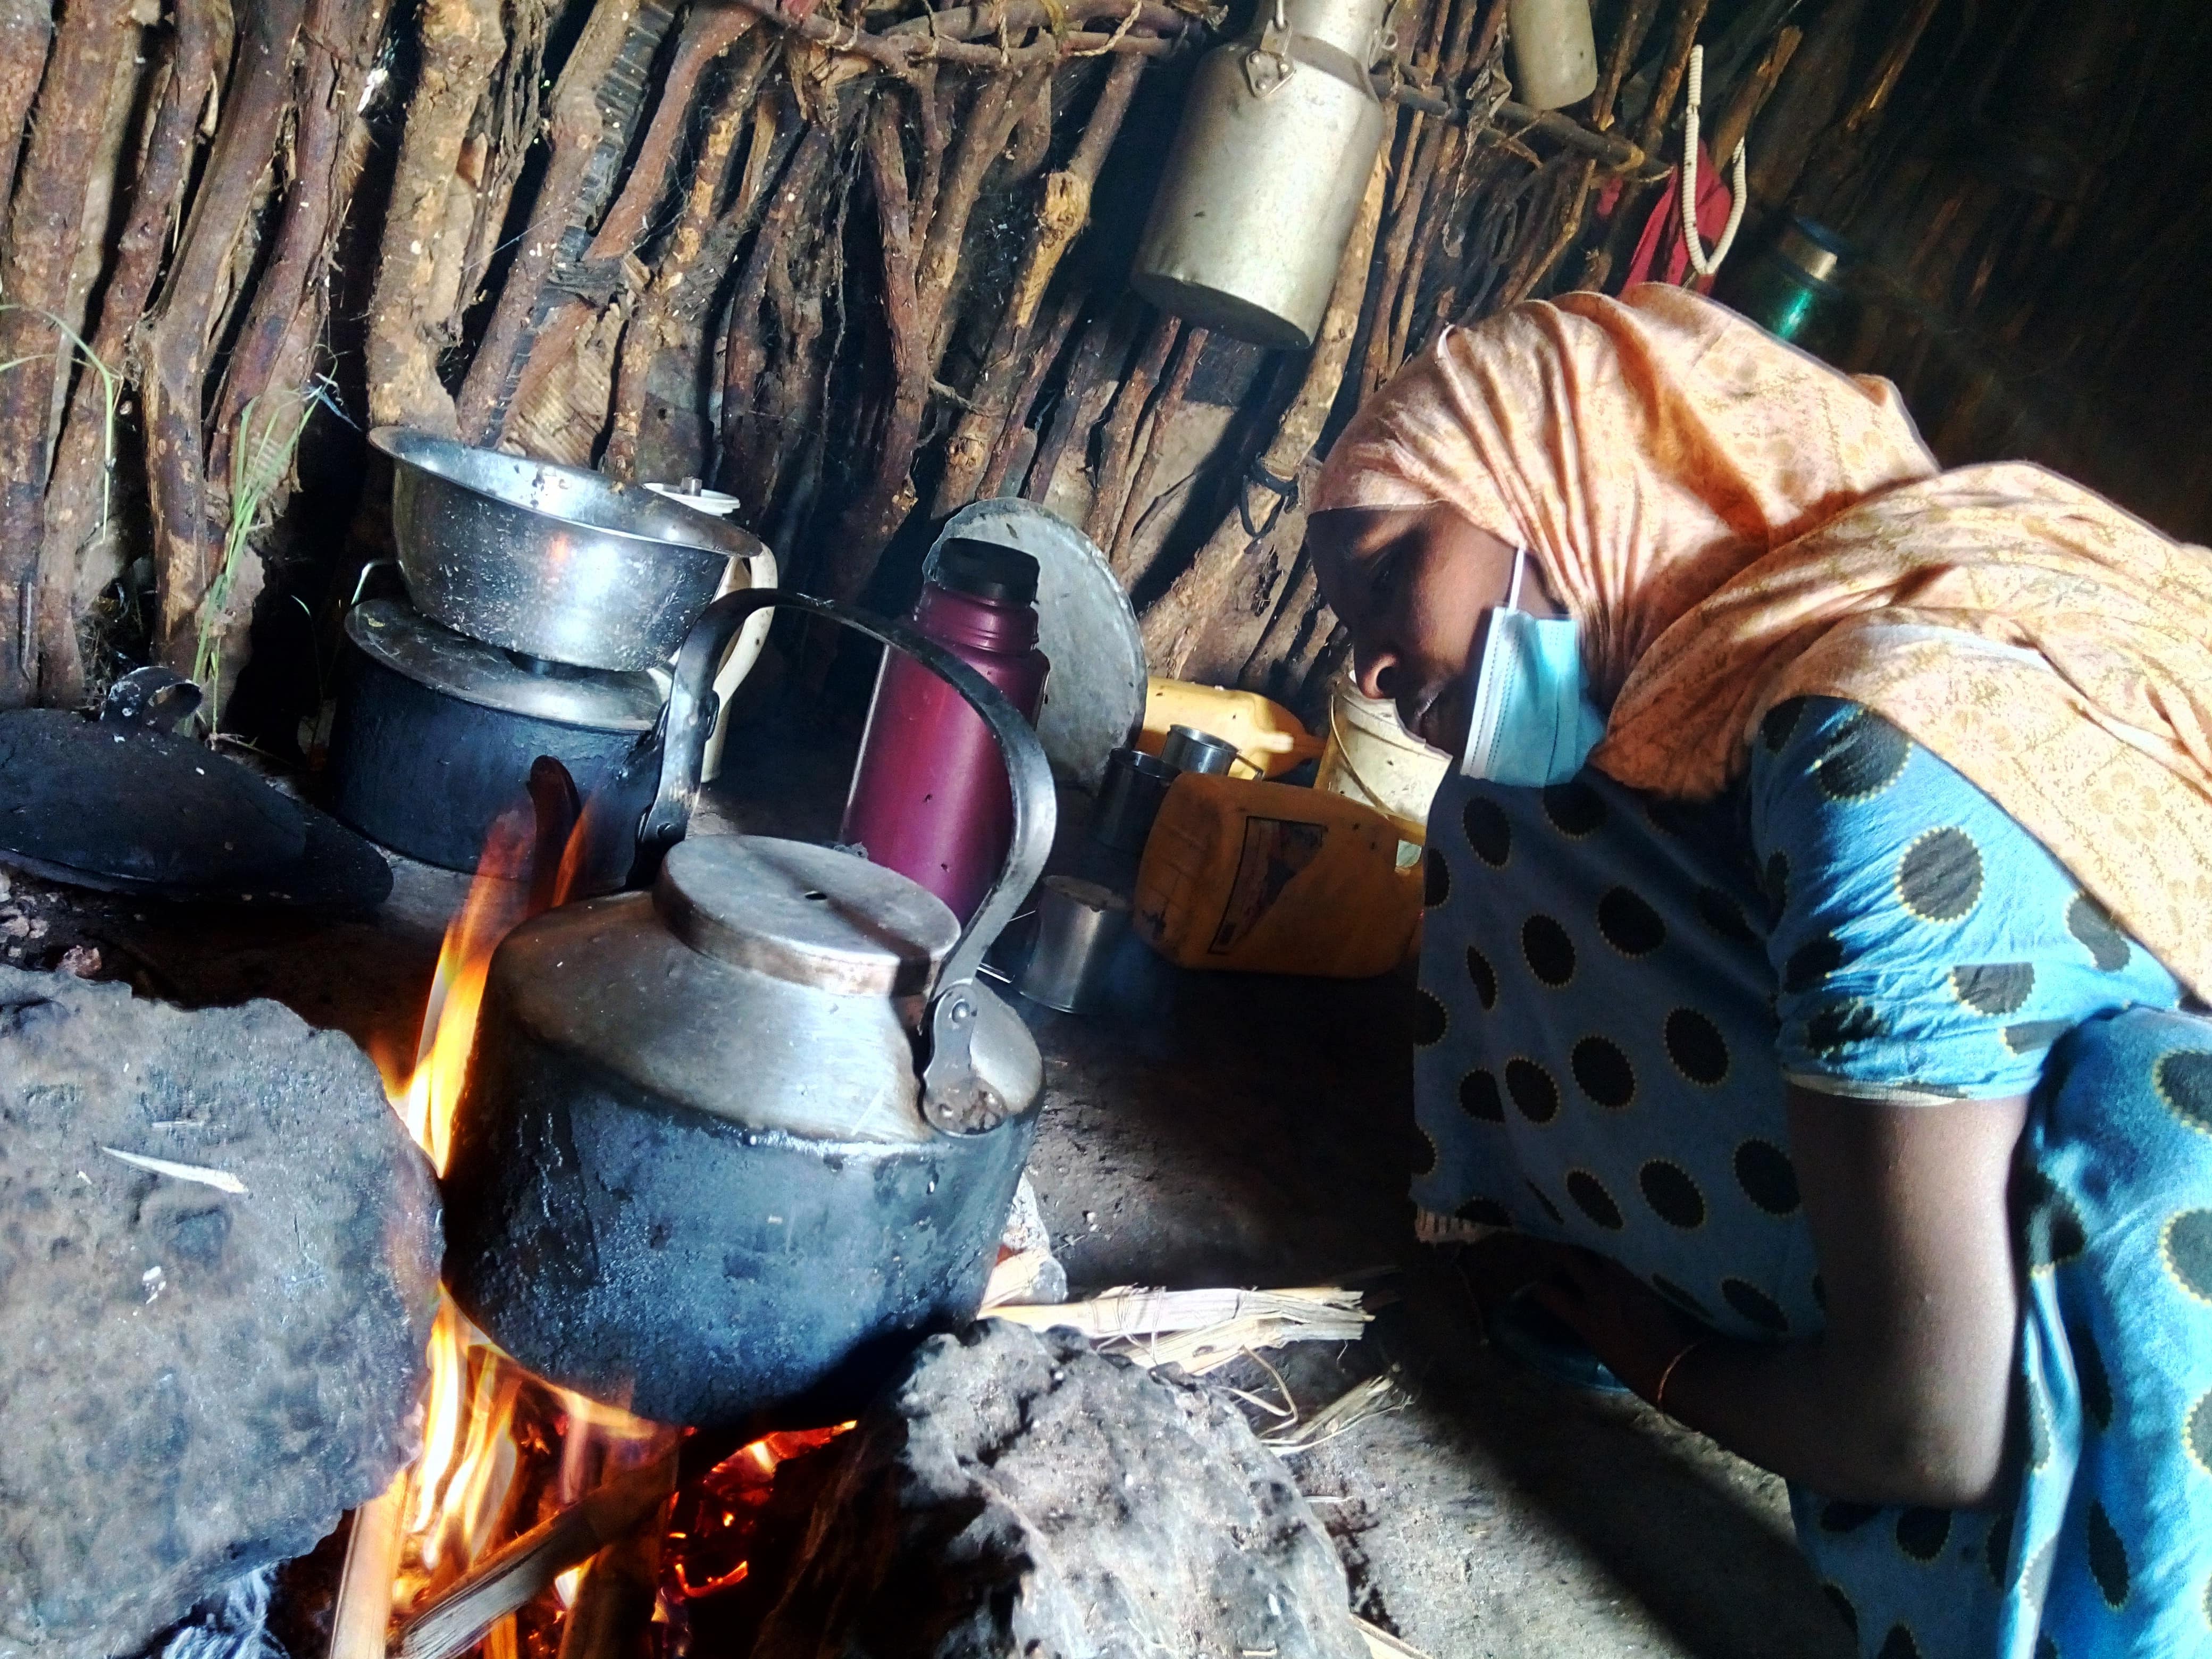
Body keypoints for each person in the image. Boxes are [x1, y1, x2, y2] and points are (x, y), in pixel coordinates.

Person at [1304, 284, 2212, 1659]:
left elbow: (1928, 1426)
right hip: (1978, 1236)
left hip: (2081, 1420)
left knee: (2148, 1157)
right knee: (1514, 810)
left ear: (1566, 470)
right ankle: (1546, 1264)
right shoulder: (1786, 662)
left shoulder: (1876, 749)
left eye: (1384, 564)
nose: (1367, 668)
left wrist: (1664, 1364)